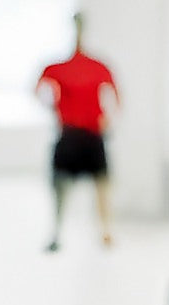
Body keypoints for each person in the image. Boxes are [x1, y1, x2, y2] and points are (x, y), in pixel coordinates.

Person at [36, 13, 120, 252]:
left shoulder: (98, 67)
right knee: (60, 185)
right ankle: (56, 231)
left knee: (102, 184)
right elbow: (38, 90)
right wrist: (54, 109)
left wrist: (108, 119)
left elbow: (116, 95)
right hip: (70, 134)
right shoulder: (57, 68)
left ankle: (106, 231)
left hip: (92, 135)